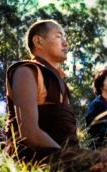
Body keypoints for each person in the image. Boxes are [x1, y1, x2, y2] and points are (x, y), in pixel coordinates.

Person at [5, 19, 79, 163]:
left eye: (65, 38)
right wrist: (72, 160)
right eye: (58, 36)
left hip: (68, 159)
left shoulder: (59, 80)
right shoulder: (26, 71)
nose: (65, 43)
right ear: (38, 41)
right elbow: (29, 133)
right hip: (40, 161)